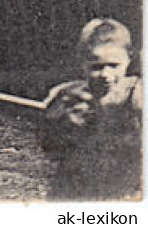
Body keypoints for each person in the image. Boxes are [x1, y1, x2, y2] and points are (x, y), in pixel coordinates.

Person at [42, 18, 142, 200]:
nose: (105, 74)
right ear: (82, 62)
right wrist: (62, 124)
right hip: (76, 186)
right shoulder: (67, 96)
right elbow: (49, 146)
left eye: (114, 65)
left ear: (129, 57)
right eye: (96, 67)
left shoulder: (136, 93)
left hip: (123, 188)